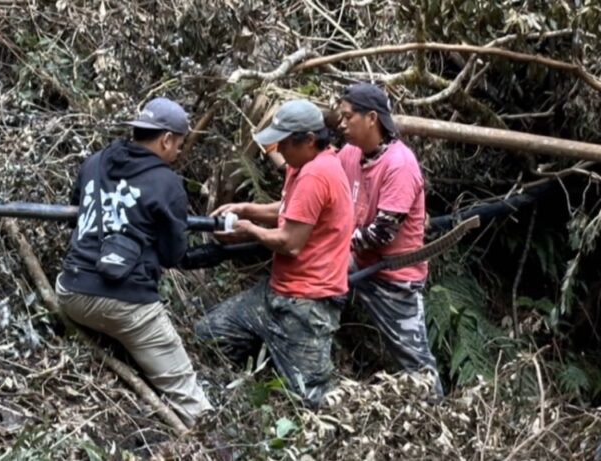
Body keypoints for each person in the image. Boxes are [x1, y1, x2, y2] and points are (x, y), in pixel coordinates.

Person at [56, 97, 213, 427]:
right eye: (179, 144)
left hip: (71, 290)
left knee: (112, 316)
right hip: (127, 305)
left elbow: (75, 211)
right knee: (187, 393)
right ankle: (203, 435)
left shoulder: (95, 162)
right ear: (166, 139)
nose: (178, 152)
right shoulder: (167, 183)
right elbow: (173, 256)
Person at [195, 100, 353, 407]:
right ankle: (253, 382)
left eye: (285, 142)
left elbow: (290, 242)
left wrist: (248, 230)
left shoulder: (316, 174)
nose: (279, 149)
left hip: (308, 304)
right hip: (277, 293)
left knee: (313, 399)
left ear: (309, 140)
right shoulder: (305, 165)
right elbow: (292, 209)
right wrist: (247, 209)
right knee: (210, 335)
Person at [334, 83, 443, 396]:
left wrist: (333, 242)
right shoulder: (350, 153)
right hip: (357, 260)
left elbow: (382, 233)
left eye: (348, 117)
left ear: (372, 118)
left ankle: (436, 410)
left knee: (416, 364)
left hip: (393, 276)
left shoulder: (400, 164)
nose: (341, 124)